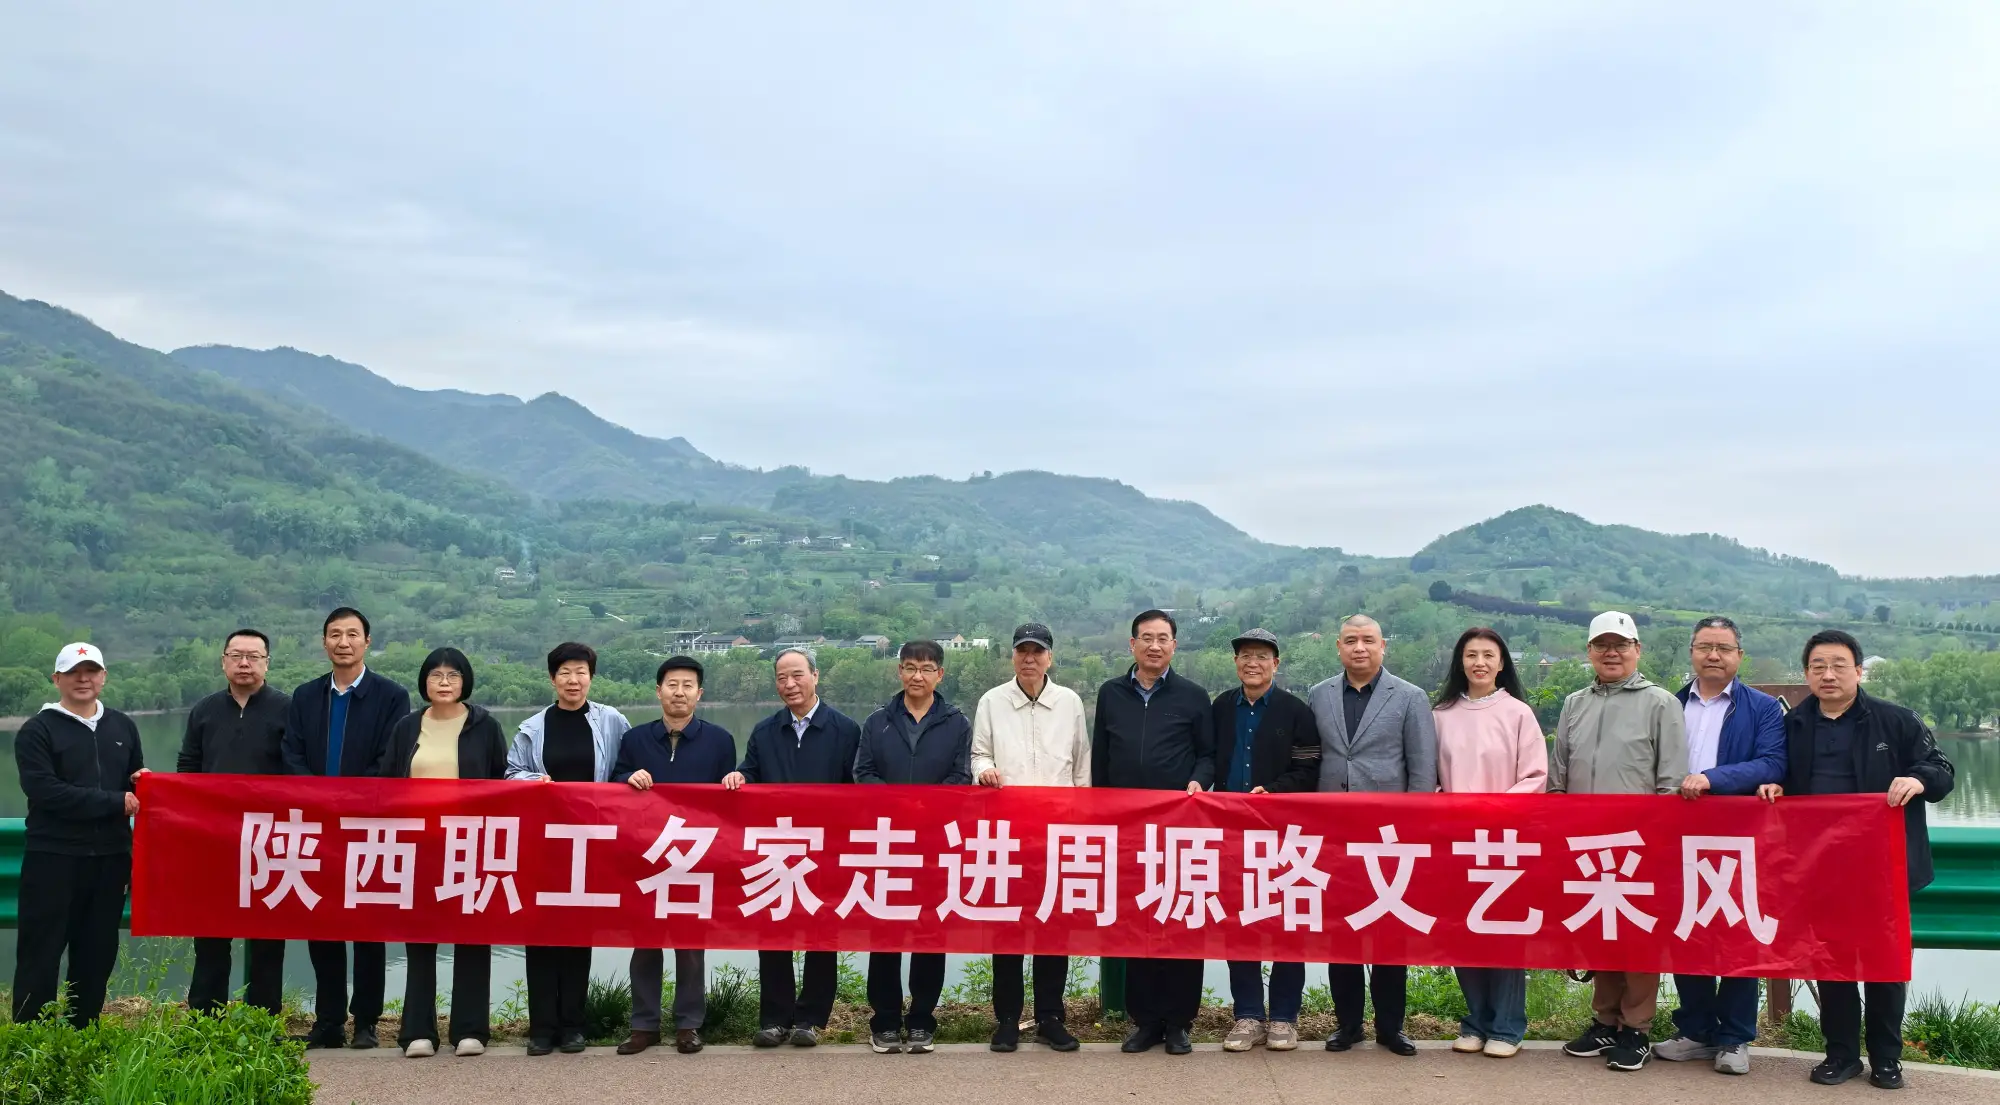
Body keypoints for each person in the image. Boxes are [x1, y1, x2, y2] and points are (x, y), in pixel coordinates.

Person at [1761, 629, 1954, 1091]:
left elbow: (1942, 769)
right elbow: (1776, 771)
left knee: (1884, 966)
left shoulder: (1895, 720)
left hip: (1883, 868)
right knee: (1833, 964)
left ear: (1858, 671)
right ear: (1806, 674)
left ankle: (1887, 1058)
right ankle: (1841, 1054)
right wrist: (1773, 786)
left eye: (1838, 666)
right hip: (1820, 868)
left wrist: (1918, 780)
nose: (1828, 675)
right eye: (1818, 667)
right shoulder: (1793, 724)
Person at [1551, 611, 1686, 1072]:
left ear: (1637, 649)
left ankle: (1637, 1028)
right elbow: (1558, 775)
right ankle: (1605, 1021)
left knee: (1638, 936)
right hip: (1584, 841)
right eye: (1602, 645)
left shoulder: (1660, 703)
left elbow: (1671, 781)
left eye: (1621, 644)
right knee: (1601, 931)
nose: (1611, 653)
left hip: (1639, 843)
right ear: (1589, 651)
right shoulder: (1574, 703)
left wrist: (1661, 841)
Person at [1655, 616, 1787, 1076]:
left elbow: (1772, 763)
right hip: (1676, 837)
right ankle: (1695, 1031)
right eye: (1705, 646)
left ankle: (1734, 1037)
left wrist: (1712, 779)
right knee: (1685, 930)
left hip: (1737, 838)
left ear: (1739, 656)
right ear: (1692, 652)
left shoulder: (1762, 708)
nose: (1714, 655)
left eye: (1724, 648)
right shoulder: (1668, 703)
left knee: (1737, 934)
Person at [1306, 614, 1438, 1057]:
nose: (1358, 648)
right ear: (1338, 647)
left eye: (1367, 640)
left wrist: (1414, 828)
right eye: (1350, 640)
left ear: (1383, 646)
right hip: (1334, 834)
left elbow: (1422, 771)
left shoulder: (1410, 697)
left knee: (1389, 932)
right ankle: (1347, 1024)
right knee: (1341, 932)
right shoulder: (1319, 694)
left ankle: (1390, 1027)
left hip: (1389, 836)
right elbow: (1314, 759)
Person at [282, 607, 413, 1050]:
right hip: (316, 826)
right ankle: (329, 1020)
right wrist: (319, 798)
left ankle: (367, 1021)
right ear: (324, 642)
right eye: (335, 634)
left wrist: (349, 801)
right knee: (322, 924)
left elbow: (390, 758)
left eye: (352, 634)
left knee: (368, 926)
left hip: (368, 825)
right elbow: (292, 753)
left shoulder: (391, 696)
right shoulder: (306, 696)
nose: (343, 642)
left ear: (367, 642)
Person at [722, 648, 862, 1048]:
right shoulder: (765, 731)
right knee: (774, 934)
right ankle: (774, 1019)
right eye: (782, 678)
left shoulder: (846, 730)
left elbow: (857, 788)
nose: (790, 684)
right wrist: (738, 778)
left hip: (826, 848)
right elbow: (750, 774)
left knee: (822, 934)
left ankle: (810, 1019)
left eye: (797, 675)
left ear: (815, 676)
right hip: (777, 847)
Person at [378, 647, 509, 1059]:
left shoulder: (484, 726)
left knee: (472, 935)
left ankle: (470, 1029)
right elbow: (387, 784)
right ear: (425, 682)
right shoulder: (407, 727)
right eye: (436, 675)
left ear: (465, 681)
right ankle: (418, 1031)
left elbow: (502, 784)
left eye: (453, 675)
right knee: (420, 938)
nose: (445, 682)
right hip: (418, 846)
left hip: (471, 844)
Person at [1094, 609, 1214, 1057]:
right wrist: (1101, 815)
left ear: (1174, 646)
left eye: (1163, 638)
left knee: (1181, 920)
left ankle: (1179, 1021)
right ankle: (1145, 1021)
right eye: (1147, 637)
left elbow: (1208, 755)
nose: (1155, 645)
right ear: (1132, 644)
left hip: (1180, 828)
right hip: (1128, 829)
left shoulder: (1193, 696)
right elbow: (1101, 758)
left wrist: (1198, 781)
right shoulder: (1111, 694)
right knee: (1138, 920)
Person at [505, 641, 632, 1055]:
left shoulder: (612, 721)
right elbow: (510, 773)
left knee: (578, 933)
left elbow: (626, 767)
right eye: (565, 672)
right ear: (552, 678)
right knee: (539, 933)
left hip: (591, 842)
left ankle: (573, 1026)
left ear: (591, 677)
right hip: (542, 844)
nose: (573, 680)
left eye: (581, 672)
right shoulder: (532, 727)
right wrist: (533, 781)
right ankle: (542, 1028)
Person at [11, 642, 145, 1027]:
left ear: (104, 677)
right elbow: (45, 791)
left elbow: (133, 784)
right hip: (53, 858)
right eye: (73, 672)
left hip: (109, 860)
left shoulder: (122, 726)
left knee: (96, 953)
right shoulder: (37, 730)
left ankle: (82, 1033)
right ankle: (30, 1036)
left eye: (91, 671)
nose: (83, 679)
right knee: (41, 952)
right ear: (57, 679)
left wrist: (144, 784)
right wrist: (114, 801)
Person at [611, 655, 737, 1056]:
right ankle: (643, 1025)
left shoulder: (720, 740)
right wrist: (627, 777)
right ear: (658, 691)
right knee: (645, 943)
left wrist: (735, 781)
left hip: (697, 856)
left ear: (699, 694)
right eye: (672, 685)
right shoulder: (635, 739)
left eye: (687, 686)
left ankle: (688, 1025)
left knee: (691, 945)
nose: (679, 692)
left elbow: (728, 801)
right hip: (647, 854)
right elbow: (614, 782)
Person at [971, 622, 1087, 1054]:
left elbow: (1081, 767)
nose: (1030, 658)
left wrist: (1081, 823)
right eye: (1023, 651)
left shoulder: (1069, 702)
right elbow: (979, 752)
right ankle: (1006, 1019)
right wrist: (984, 770)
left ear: (1050, 658)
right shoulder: (992, 701)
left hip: (1058, 834)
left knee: (1053, 930)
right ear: (1013, 656)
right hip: (1008, 834)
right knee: (1008, 929)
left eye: (1038, 652)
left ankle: (1050, 1018)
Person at [1431, 627, 1546, 1059]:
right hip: (1456, 841)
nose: (1479, 662)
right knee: (1464, 931)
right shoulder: (1440, 714)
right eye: (1471, 655)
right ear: (1460, 662)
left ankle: (1508, 1026)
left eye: (1488, 655)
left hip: (1505, 841)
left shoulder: (1518, 713)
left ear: (1501, 663)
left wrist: (1491, 810)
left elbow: (1534, 778)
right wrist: (1447, 806)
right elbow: (1430, 778)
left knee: (1504, 932)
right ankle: (1475, 1021)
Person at [854, 640, 973, 1055]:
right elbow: (863, 772)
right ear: (899, 672)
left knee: (929, 933)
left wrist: (925, 806)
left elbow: (961, 777)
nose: (916, 676)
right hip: (887, 842)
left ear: (940, 674)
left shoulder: (957, 723)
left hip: (935, 842)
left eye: (925, 668)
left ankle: (922, 1020)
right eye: (909, 667)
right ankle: (885, 1021)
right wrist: (897, 803)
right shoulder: (878, 722)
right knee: (885, 934)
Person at [1214, 628, 1319, 1054]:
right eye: (1245, 656)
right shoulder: (1221, 707)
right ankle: (1248, 1015)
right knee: (1239, 923)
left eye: (1261, 656)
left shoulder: (1296, 711)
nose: (1252, 663)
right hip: (1231, 833)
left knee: (1287, 923)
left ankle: (1284, 1018)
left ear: (1276, 663)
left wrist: (1273, 791)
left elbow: (1309, 769)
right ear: (1236, 662)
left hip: (1284, 833)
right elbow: (1207, 758)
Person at [180, 629, 290, 1018]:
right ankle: (205, 1017)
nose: (245, 663)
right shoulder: (205, 710)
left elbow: (298, 770)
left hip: (269, 838)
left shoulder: (287, 709)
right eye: (237, 656)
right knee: (211, 932)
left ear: (266, 664)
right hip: (215, 837)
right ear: (224, 661)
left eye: (253, 657)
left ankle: (263, 1018)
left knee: (267, 935)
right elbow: (188, 767)